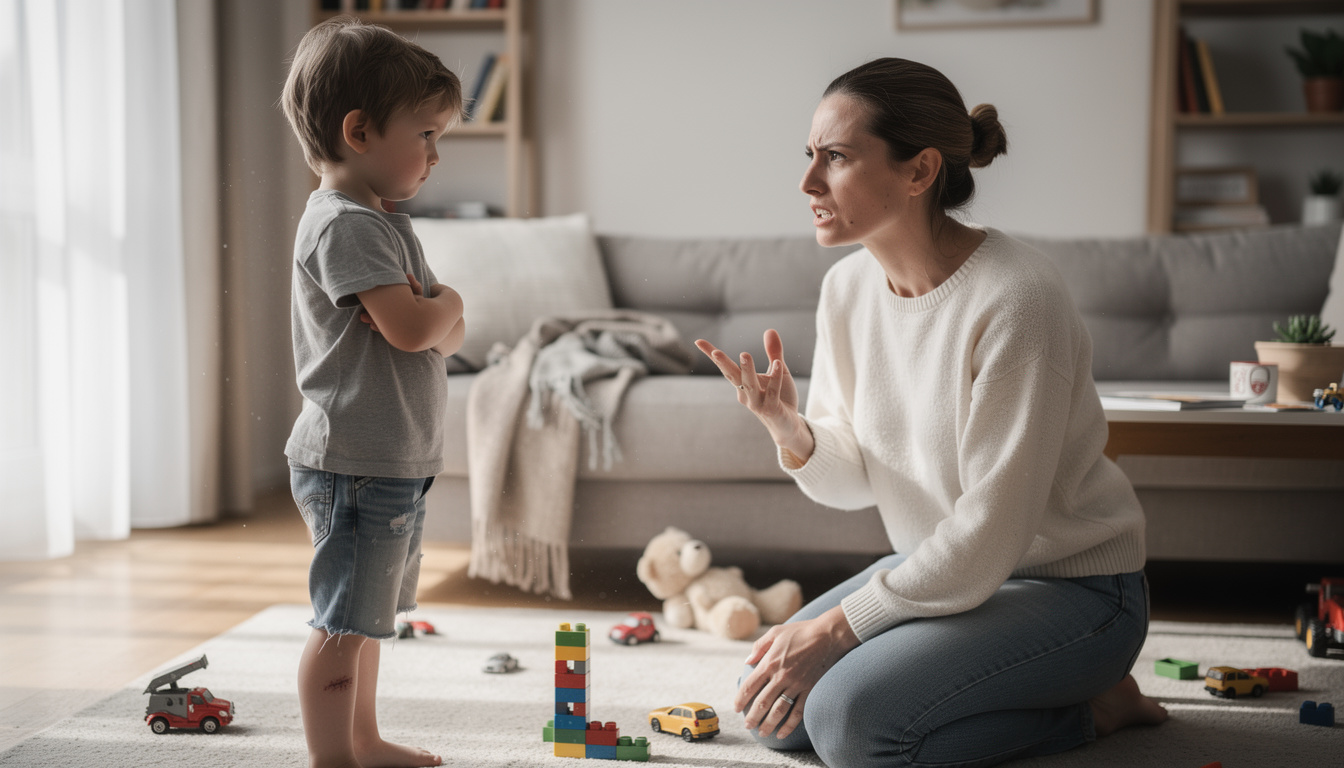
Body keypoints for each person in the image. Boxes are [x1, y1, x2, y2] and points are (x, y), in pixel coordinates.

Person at [695, 57, 1169, 767]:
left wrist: (837, 629)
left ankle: (1095, 706)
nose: (808, 182)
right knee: (771, 705)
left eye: (836, 158)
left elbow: (991, 534)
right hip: (945, 573)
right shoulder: (846, 290)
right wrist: (790, 429)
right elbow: (854, 482)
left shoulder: (1018, 298)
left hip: (1074, 592)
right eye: (809, 155)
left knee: (852, 727)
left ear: (919, 171)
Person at [279, 16, 466, 768]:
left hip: (390, 459)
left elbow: (441, 333)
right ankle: (333, 758)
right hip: (356, 461)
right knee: (342, 625)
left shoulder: (382, 223)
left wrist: (438, 314)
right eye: (425, 134)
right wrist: (449, 302)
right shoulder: (344, 226)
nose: (435, 155)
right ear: (359, 132)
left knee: (368, 620)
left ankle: (363, 740)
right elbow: (420, 328)